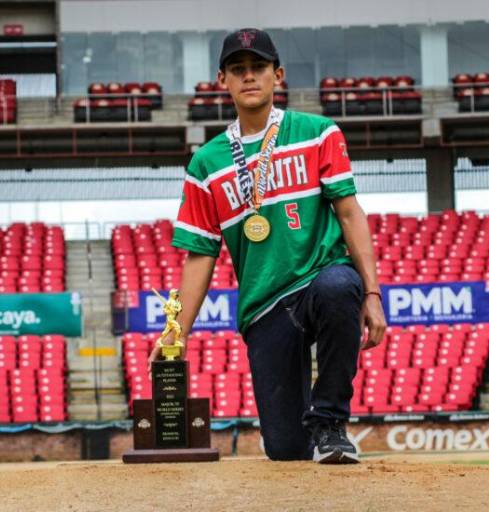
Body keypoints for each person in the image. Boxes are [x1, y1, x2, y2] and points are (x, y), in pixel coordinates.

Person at [149, 28, 386, 464]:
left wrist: (372, 293)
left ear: (277, 75)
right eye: (238, 69)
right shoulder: (206, 163)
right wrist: (176, 332)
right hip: (264, 304)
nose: (249, 76)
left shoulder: (318, 133)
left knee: (339, 288)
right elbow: (201, 253)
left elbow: (350, 213)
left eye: (258, 67)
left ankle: (330, 423)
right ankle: (303, 437)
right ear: (222, 80)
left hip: (320, 277)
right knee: (286, 449)